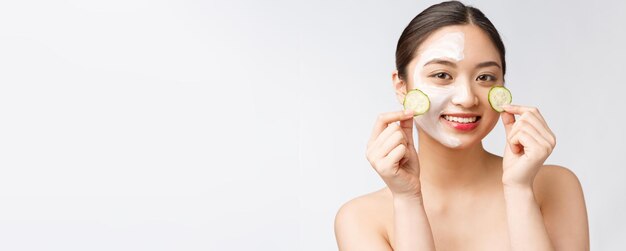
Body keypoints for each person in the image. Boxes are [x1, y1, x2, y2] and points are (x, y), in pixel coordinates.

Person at [334, 1, 589, 250]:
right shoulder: (360, 219)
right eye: (442, 75)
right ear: (402, 87)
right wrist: (407, 199)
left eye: (485, 77)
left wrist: (519, 190)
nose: (467, 98)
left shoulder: (555, 185)